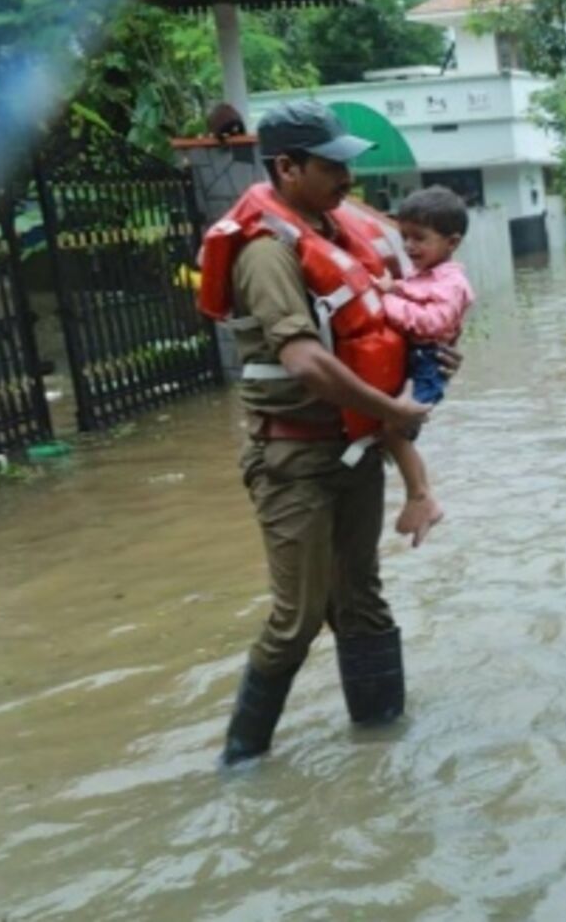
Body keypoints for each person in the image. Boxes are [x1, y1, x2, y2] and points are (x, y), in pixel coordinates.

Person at [195, 100, 444, 766]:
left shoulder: (334, 233)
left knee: (360, 601)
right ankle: (242, 764)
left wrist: (425, 361)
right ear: (287, 167)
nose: (347, 179)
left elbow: (379, 326)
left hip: (352, 450)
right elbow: (304, 361)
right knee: (297, 618)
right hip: (293, 458)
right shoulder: (264, 253)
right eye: (332, 166)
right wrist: (393, 413)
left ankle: (382, 745)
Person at [372, 186, 473, 547]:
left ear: (452, 242)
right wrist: (395, 289)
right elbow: (412, 292)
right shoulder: (427, 275)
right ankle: (419, 495)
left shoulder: (451, 282)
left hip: (427, 365)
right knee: (390, 429)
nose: (410, 247)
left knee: (395, 428)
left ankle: (421, 496)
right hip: (418, 361)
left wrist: (386, 302)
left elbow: (430, 323)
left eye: (420, 239)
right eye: (405, 238)